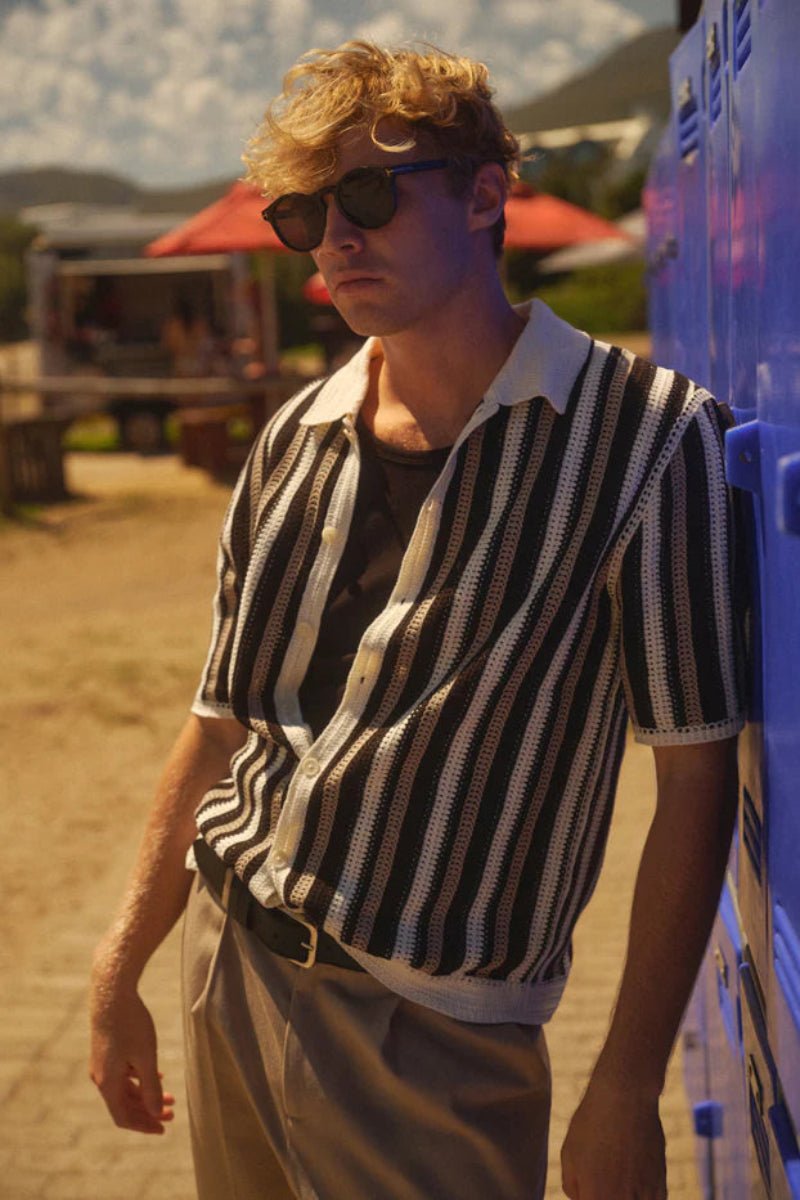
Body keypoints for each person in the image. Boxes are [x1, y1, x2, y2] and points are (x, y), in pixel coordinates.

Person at [89, 40, 747, 1200]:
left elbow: (693, 778)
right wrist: (118, 966)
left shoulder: (647, 439)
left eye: (368, 195)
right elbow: (220, 727)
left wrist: (622, 1087)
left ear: (485, 194)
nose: (334, 240)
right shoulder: (292, 439)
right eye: (304, 215)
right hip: (226, 966)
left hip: (430, 1042)